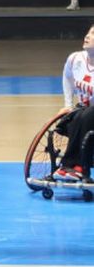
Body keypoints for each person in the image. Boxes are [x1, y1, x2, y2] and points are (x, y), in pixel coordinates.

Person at [52, 25, 94, 182]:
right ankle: (70, 167)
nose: (88, 36)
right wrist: (68, 104)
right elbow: (67, 76)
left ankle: (75, 166)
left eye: (93, 34)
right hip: (84, 112)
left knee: (85, 114)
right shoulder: (76, 59)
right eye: (88, 32)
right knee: (75, 115)